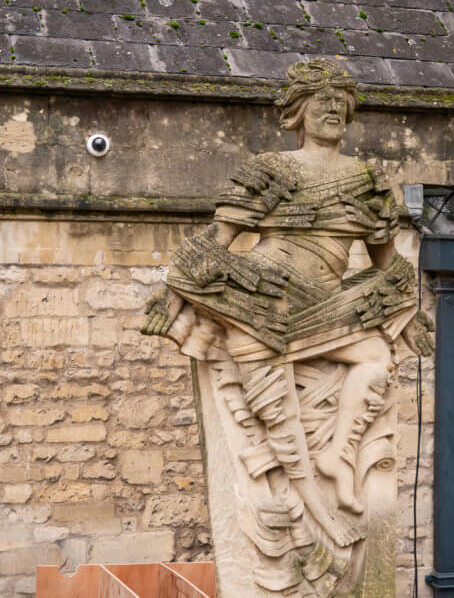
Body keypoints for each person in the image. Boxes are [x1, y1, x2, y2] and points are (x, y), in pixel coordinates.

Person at [143, 59, 431, 584]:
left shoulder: (366, 182)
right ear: (296, 111)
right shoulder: (272, 169)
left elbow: (387, 265)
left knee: (377, 358)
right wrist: (221, 285)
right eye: (318, 99)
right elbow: (214, 244)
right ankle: (310, 543)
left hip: (326, 306)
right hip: (265, 308)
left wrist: (406, 308)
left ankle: (340, 457)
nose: (330, 109)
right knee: (281, 440)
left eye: (339, 100)